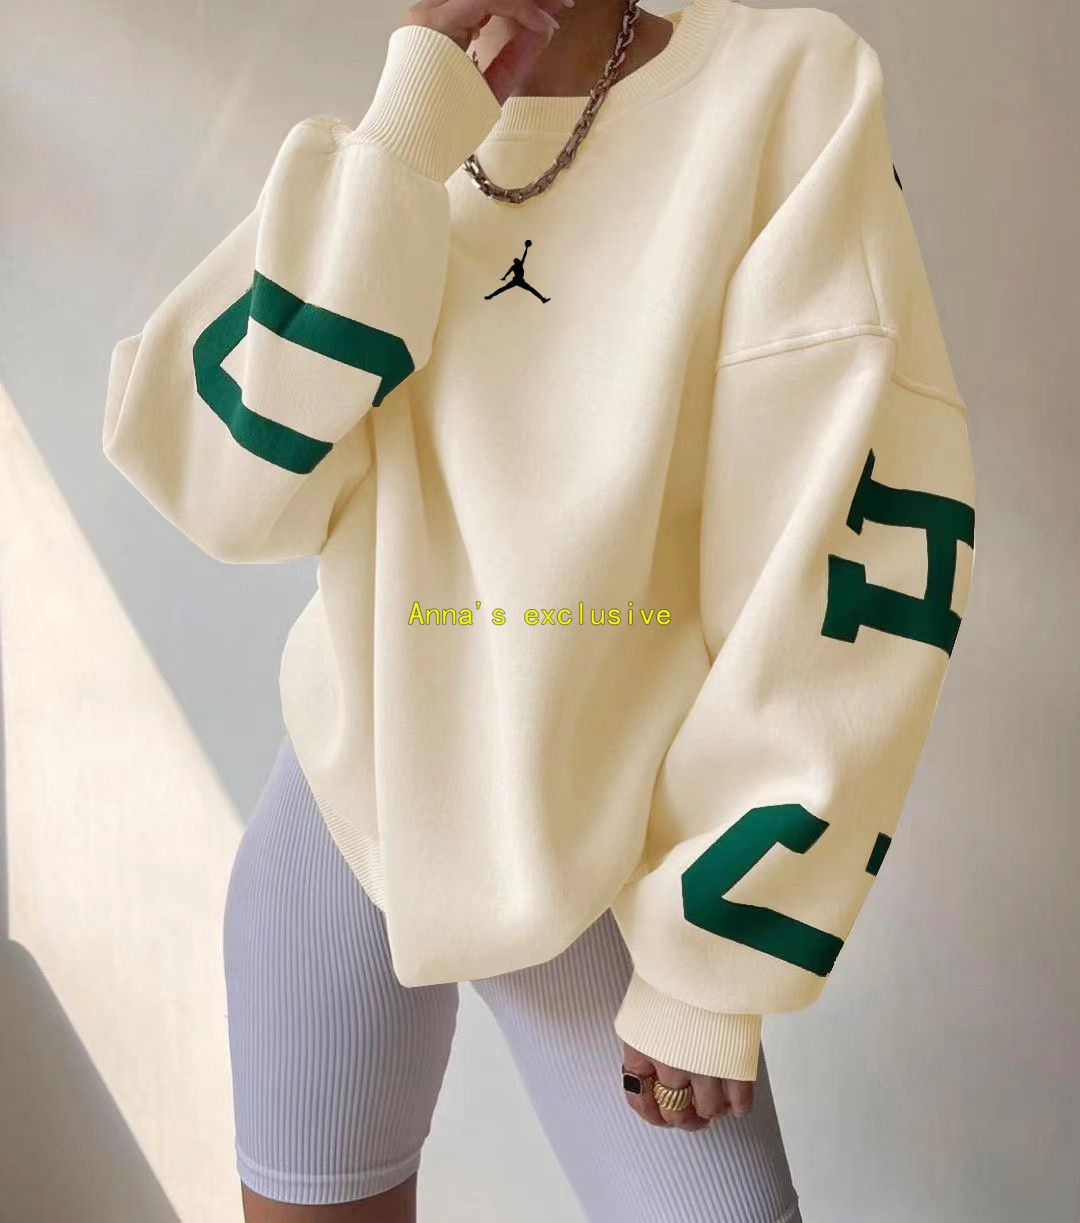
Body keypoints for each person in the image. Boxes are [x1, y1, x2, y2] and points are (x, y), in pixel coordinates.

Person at [101, 0, 977, 1219]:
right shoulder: (407, 136)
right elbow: (231, 486)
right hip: (339, 818)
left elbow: (845, 540)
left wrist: (714, 961)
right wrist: (404, 136)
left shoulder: (782, 91)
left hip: (603, 850)